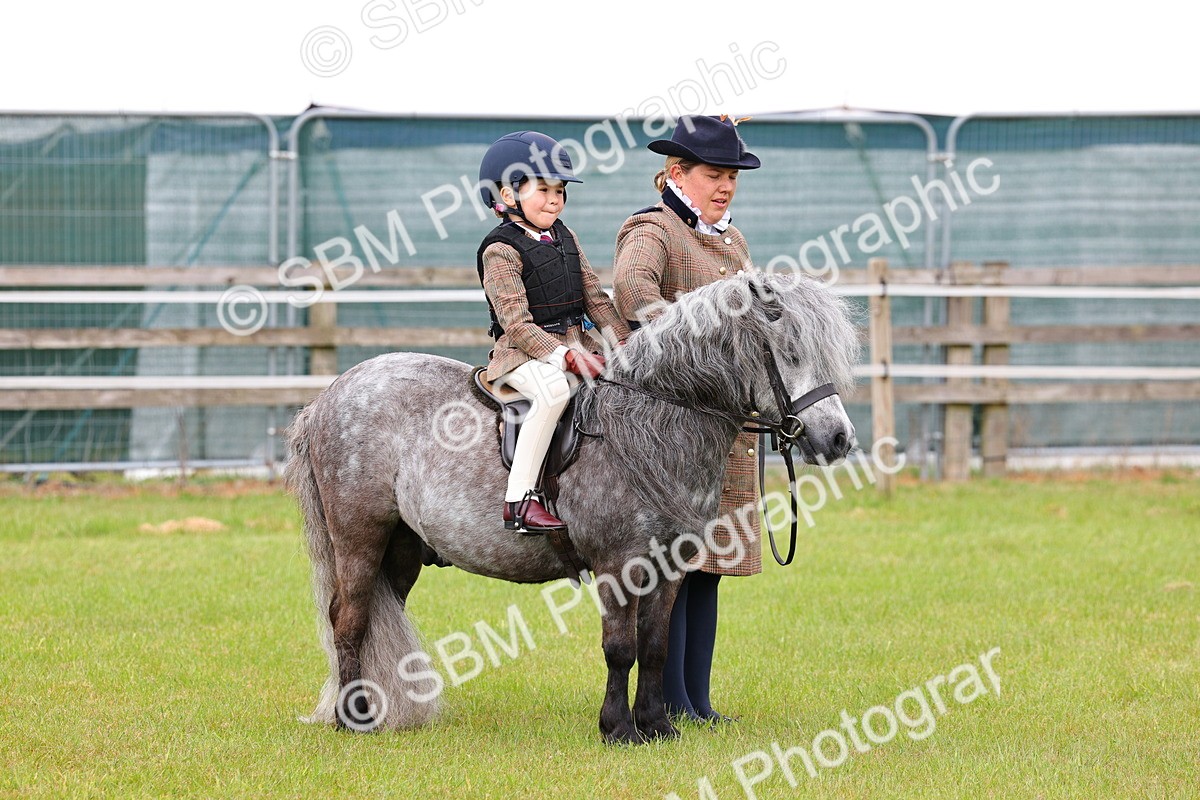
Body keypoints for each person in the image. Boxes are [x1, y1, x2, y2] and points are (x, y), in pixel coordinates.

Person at [612, 114, 763, 723]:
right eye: (713, 174)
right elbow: (632, 295)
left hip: (720, 427)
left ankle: (697, 701)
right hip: (667, 427)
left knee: (710, 570)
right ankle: (666, 698)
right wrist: (695, 349)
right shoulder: (652, 231)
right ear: (677, 173)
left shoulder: (733, 240)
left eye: (731, 175)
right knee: (670, 568)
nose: (724, 186)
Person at [477, 131, 629, 533]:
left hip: (576, 344)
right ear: (507, 196)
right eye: (543, 190)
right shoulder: (500, 250)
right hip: (522, 356)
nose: (555, 199)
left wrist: (626, 342)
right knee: (554, 390)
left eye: (560, 190)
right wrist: (564, 356)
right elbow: (516, 323)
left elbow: (594, 298)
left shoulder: (566, 236)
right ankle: (520, 500)